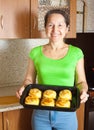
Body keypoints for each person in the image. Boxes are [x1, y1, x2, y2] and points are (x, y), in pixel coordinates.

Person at [16, 9, 89, 130]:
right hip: (41, 112)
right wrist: (24, 87)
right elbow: (29, 79)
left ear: (67, 28)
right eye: (50, 25)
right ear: (45, 28)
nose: (55, 30)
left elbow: (81, 82)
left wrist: (84, 91)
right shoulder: (35, 52)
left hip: (67, 113)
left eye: (60, 25)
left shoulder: (76, 53)